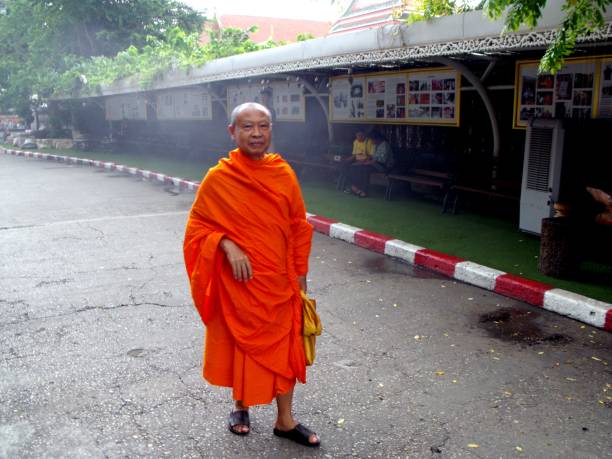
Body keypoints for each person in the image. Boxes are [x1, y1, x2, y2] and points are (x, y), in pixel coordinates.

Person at [183, 102, 320, 447]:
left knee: (285, 348)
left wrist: (301, 272)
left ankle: (285, 420)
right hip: (240, 281)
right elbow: (198, 228)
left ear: (271, 130)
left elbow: (298, 226)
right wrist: (226, 244)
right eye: (247, 127)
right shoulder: (220, 178)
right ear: (232, 132)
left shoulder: (282, 172)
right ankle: (241, 406)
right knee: (242, 344)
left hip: (279, 278)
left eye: (263, 126)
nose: (257, 133)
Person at [339, 130, 373, 197]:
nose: (358, 137)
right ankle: (353, 186)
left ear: (364, 135)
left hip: (365, 162)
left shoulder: (369, 142)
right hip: (356, 161)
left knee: (354, 168)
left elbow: (370, 156)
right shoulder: (355, 141)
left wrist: (361, 162)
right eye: (357, 136)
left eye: (360, 136)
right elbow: (354, 155)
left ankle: (354, 188)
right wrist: (346, 160)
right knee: (343, 166)